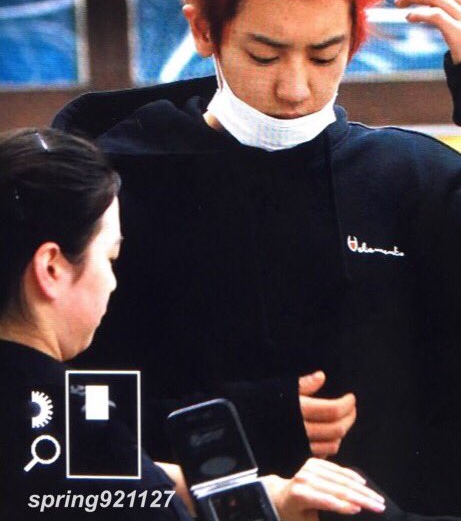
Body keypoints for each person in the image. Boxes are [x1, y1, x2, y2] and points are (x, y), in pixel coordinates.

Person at [53, 0, 461, 515]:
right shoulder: (114, 184)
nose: (295, 88)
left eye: (325, 55)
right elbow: (59, 418)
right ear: (203, 30)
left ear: (356, 38)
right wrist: (242, 422)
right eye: (264, 55)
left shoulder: (413, 180)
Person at [0, 127, 389, 521]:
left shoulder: (58, 422)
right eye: (110, 258)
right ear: (51, 268)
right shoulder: (77, 428)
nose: (113, 283)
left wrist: (263, 493)